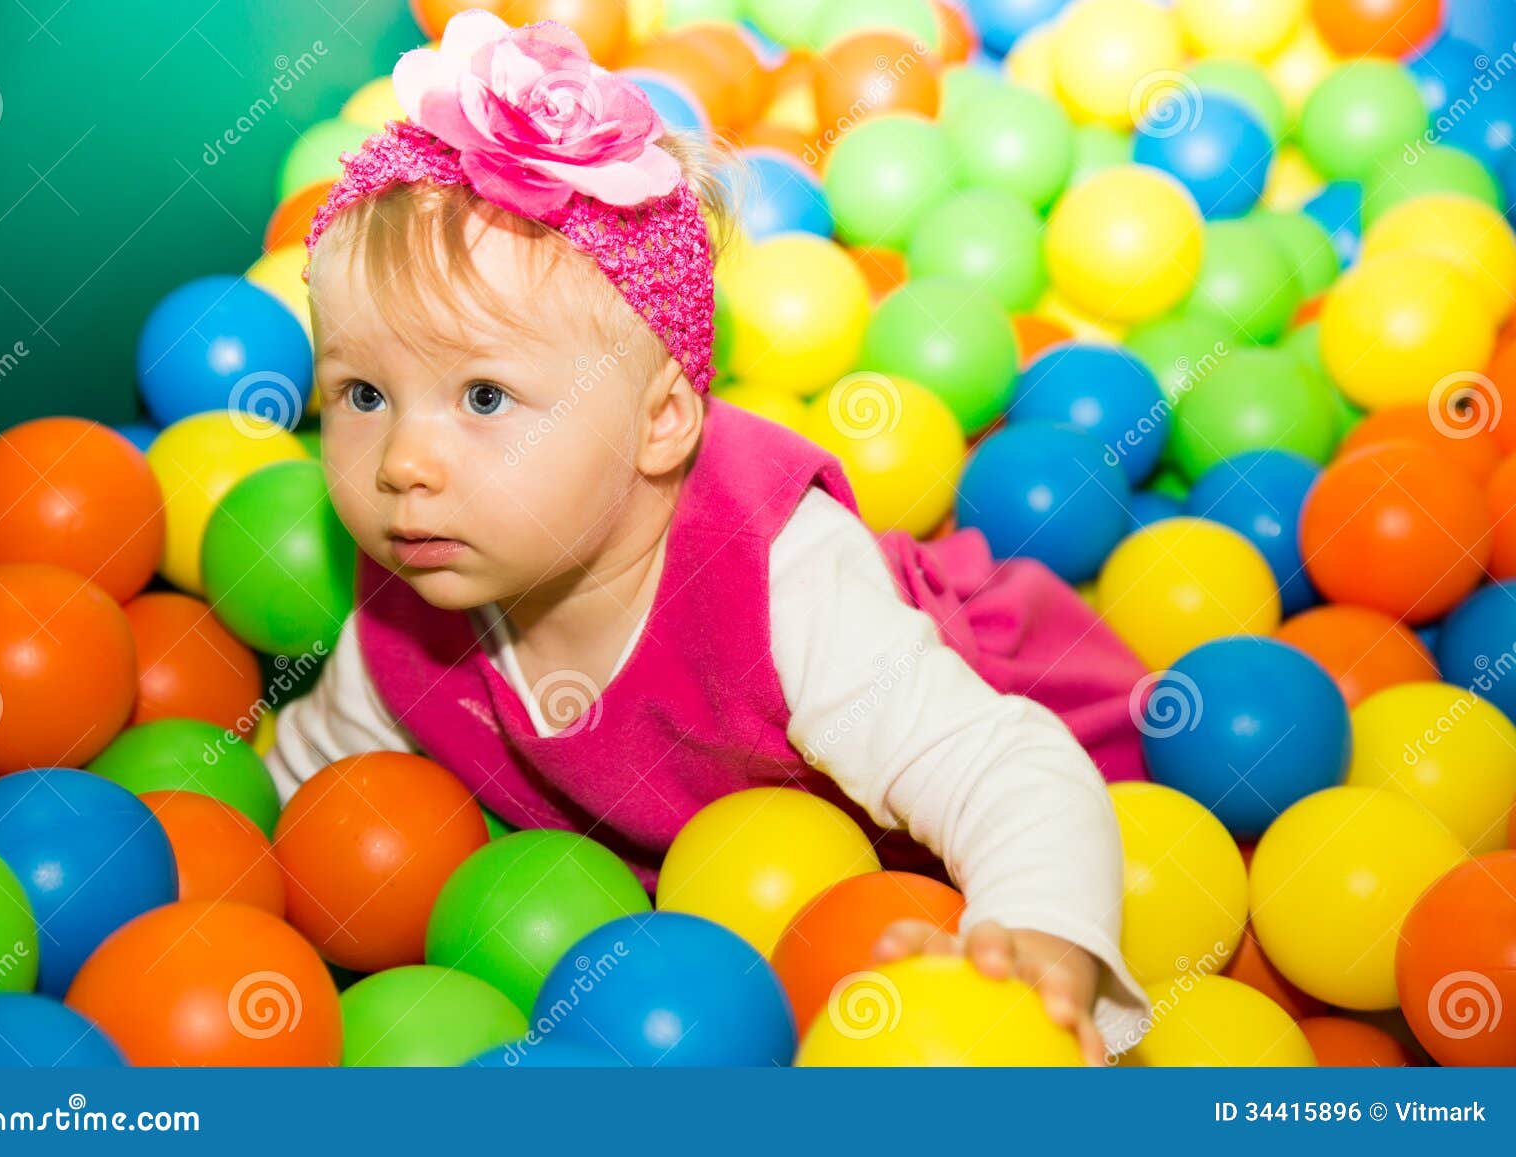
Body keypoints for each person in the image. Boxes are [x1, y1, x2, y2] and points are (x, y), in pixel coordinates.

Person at [271, 8, 1152, 1063]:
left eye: (487, 398)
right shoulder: (410, 591)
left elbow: (1002, 765)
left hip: (984, 781)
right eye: (362, 392)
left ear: (658, 422)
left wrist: (1035, 935)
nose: (401, 461)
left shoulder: (781, 578)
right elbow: (320, 787)